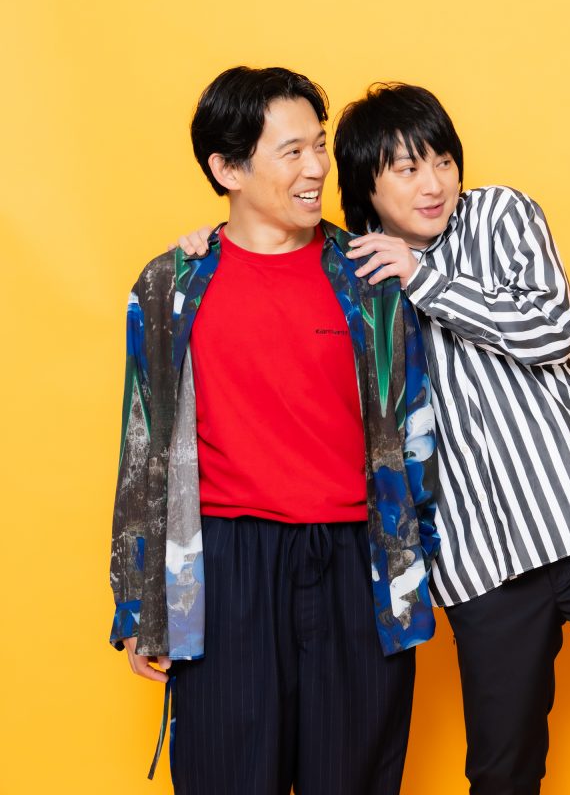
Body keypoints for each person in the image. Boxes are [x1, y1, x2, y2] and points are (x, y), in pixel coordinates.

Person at [181, 81, 570, 794]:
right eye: (407, 169)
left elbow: (552, 331)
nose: (433, 185)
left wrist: (425, 279)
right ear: (366, 186)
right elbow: (271, 291)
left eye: (443, 162)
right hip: (481, 561)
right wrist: (203, 250)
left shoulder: (500, 215)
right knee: (501, 772)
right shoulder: (357, 277)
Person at [108, 66, 437, 794]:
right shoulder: (170, 285)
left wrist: (423, 574)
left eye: (318, 146)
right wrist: (139, 601)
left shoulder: (370, 278)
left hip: (357, 564)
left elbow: (416, 433)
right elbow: (143, 445)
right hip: (223, 567)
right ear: (228, 169)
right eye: (292, 152)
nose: (317, 168)